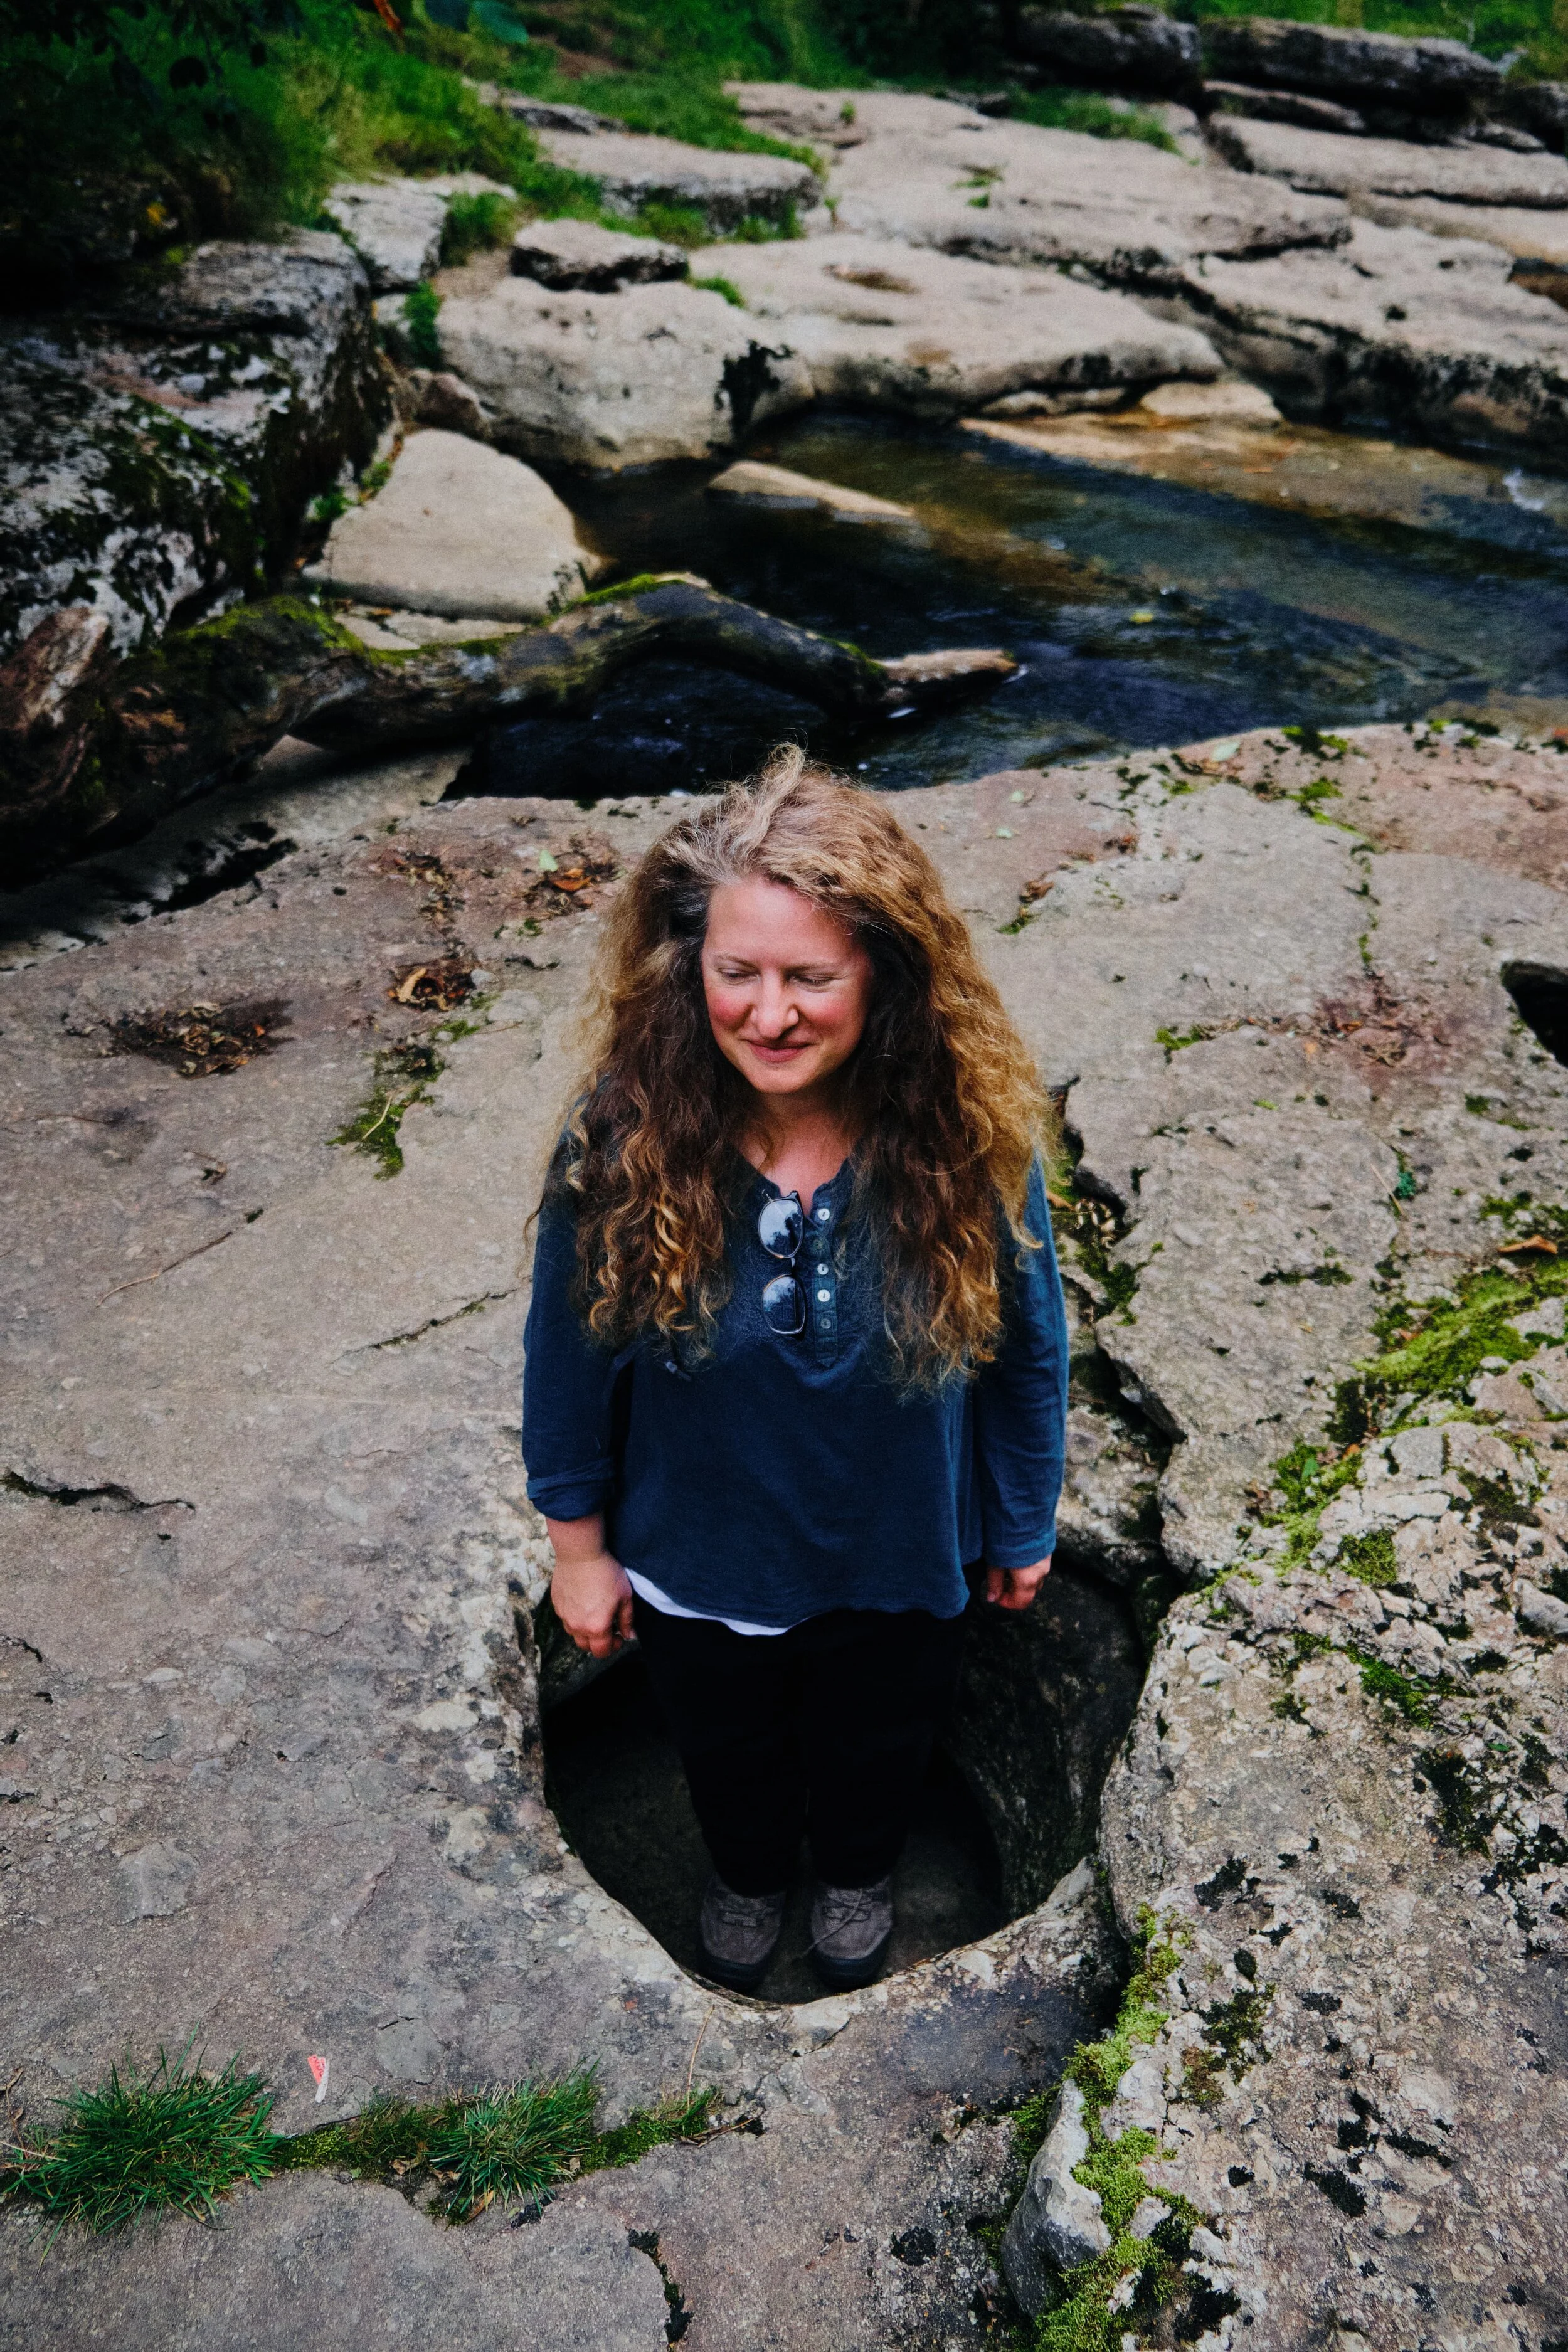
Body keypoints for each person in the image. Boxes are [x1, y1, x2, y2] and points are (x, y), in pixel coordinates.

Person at [522, 748, 1067, 1994]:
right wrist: (578, 1548)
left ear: (882, 972)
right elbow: (565, 1360)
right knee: (727, 1749)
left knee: (878, 1741)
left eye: (808, 977)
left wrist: (1019, 1515)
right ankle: (749, 1873)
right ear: (686, 969)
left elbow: (1028, 1351)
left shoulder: (967, 1140)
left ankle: (858, 1873)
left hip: (898, 1555)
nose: (768, 1012)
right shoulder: (622, 1136)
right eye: (736, 973)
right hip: (699, 1559)